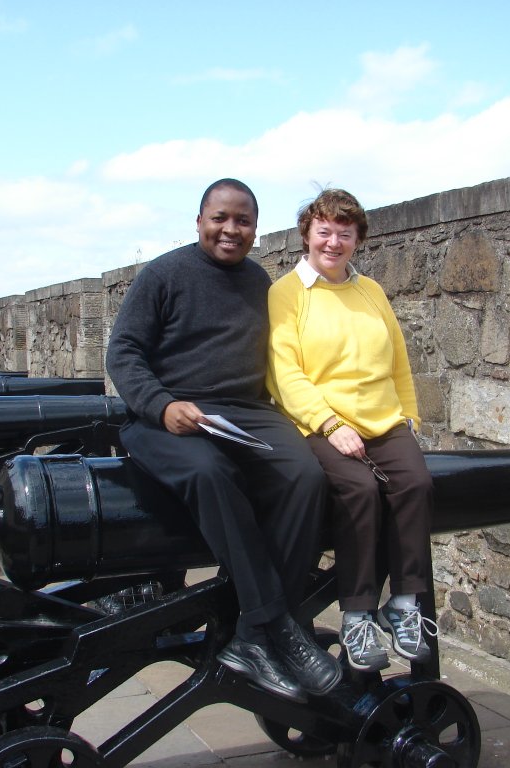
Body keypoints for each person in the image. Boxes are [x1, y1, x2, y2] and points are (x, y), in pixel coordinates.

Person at [106, 178, 342, 702]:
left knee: (304, 476)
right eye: (220, 218)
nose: (231, 230)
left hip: (244, 412)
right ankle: (276, 625)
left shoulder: (261, 282)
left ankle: (254, 637)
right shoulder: (164, 274)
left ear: (256, 230)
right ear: (200, 221)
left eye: (243, 221)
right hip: (166, 414)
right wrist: (163, 406)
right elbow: (122, 351)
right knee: (208, 472)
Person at [267, 188, 438, 673]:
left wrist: (409, 414)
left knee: (416, 485)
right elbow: (285, 372)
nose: (334, 242)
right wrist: (328, 423)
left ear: (357, 239)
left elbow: (397, 357)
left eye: (345, 233)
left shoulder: (371, 291)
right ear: (307, 235)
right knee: (359, 491)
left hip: (383, 419)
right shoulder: (287, 294)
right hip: (320, 422)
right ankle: (358, 613)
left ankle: (404, 603)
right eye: (324, 231)